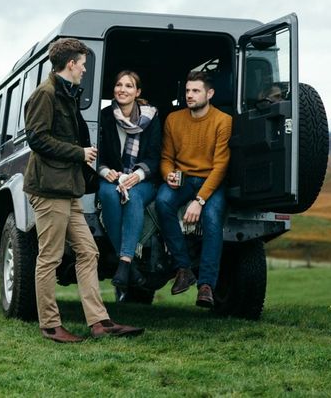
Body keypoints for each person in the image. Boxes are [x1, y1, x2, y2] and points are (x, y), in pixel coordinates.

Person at [23, 38, 144, 343]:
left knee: (88, 251)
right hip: (50, 189)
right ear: (72, 64)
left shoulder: (66, 94)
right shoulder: (46, 94)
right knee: (49, 258)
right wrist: (79, 153)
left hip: (69, 189)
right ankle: (50, 325)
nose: (86, 70)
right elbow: (37, 139)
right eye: (84, 64)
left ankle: (100, 322)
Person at [155, 71, 232, 308]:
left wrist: (199, 201)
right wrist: (168, 174)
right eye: (188, 91)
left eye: (196, 91)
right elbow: (166, 157)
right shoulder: (173, 119)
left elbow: (220, 166)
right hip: (183, 179)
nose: (190, 95)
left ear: (210, 94)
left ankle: (206, 285)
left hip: (211, 180)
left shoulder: (223, 120)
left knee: (211, 218)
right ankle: (183, 268)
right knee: (162, 202)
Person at [96, 70, 161, 290]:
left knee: (132, 197)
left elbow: (155, 157)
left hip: (143, 180)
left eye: (129, 86)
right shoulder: (104, 117)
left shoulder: (151, 118)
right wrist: (105, 171)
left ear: (137, 92)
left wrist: (138, 174)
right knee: (106, 194)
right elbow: (98, 154)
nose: (123, 90)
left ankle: (123, 263)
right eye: (119, 85)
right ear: (113, 89)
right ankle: (129, 267)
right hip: (113, 177)